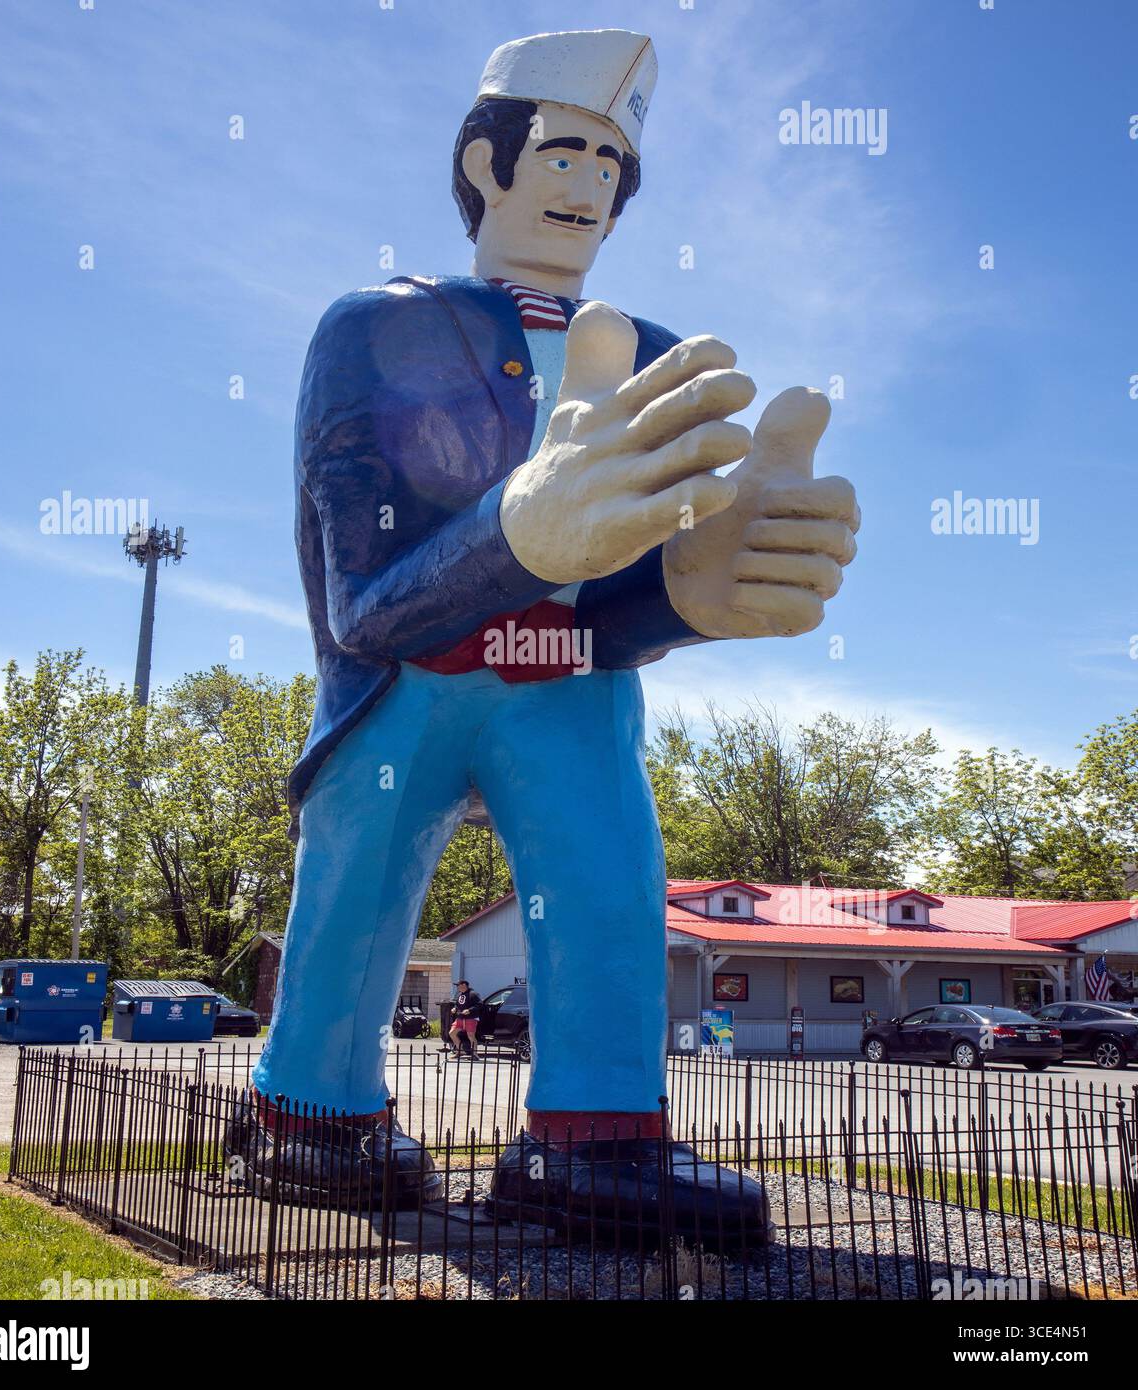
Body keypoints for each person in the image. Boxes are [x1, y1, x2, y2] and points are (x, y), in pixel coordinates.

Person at [243, 28, 859, 1241]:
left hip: (572, 681)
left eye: (611, 167)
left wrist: (693, 596)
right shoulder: (374, 328)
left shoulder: (659, 358)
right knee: (354, 896)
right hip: (401, 681)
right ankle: (309, 1113)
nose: (590, 189)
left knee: (609, 886)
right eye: (566, 152)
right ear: (485, 163)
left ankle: (595, 1137)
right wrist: (515, 537)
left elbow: (628, 590)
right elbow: (358, 602)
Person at [449, 981, 483, 1059]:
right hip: (460, 1018)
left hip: (471, 1018)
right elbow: (458, 1004)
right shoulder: (460, 995)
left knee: (471, 1036)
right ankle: (460, 1051)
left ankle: (475, 1054)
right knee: (452, 1033)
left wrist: (469, 1010)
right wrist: (455, 1008)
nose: (457, 987)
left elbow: (479, 1004)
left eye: (458, 985)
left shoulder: (473, 994)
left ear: (464, 985)